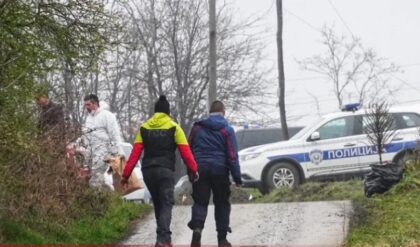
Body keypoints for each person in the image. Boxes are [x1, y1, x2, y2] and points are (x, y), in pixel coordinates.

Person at [121, 95, 199, 247]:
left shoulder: (144, 127)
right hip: (165, 171)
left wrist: (125, 175)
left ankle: (164, 238)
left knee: (158, 202)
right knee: (166, 202)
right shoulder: (174, 127)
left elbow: (135, 154)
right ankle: (162, 239)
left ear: (155, 111)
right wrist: (194, 169)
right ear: (168, 112)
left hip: (148, 171)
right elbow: (186, 152)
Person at [187, 100, 242, 247]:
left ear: (209, 112)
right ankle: (222, 239)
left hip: (200, 169)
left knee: (200, 201)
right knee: (222, 203)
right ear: (223, 112)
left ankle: (197, 230)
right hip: (220, 170)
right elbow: (232, 155)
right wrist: (237, 177)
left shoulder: (197, 128)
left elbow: (189, 150)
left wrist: (191, 171)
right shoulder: (227, 130)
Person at [81, 94, 125, 187]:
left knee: (96, 177)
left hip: (103, 150)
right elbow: (87, 135)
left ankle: (97, 198)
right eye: (85, 105)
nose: (86, 107)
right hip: (91, 152)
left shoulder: (107, 116)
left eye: (88, 105)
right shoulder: (89, 118)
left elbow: (114, 134)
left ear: (95, 103)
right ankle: (107, 196)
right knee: (95, 177)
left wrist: (117, 152)